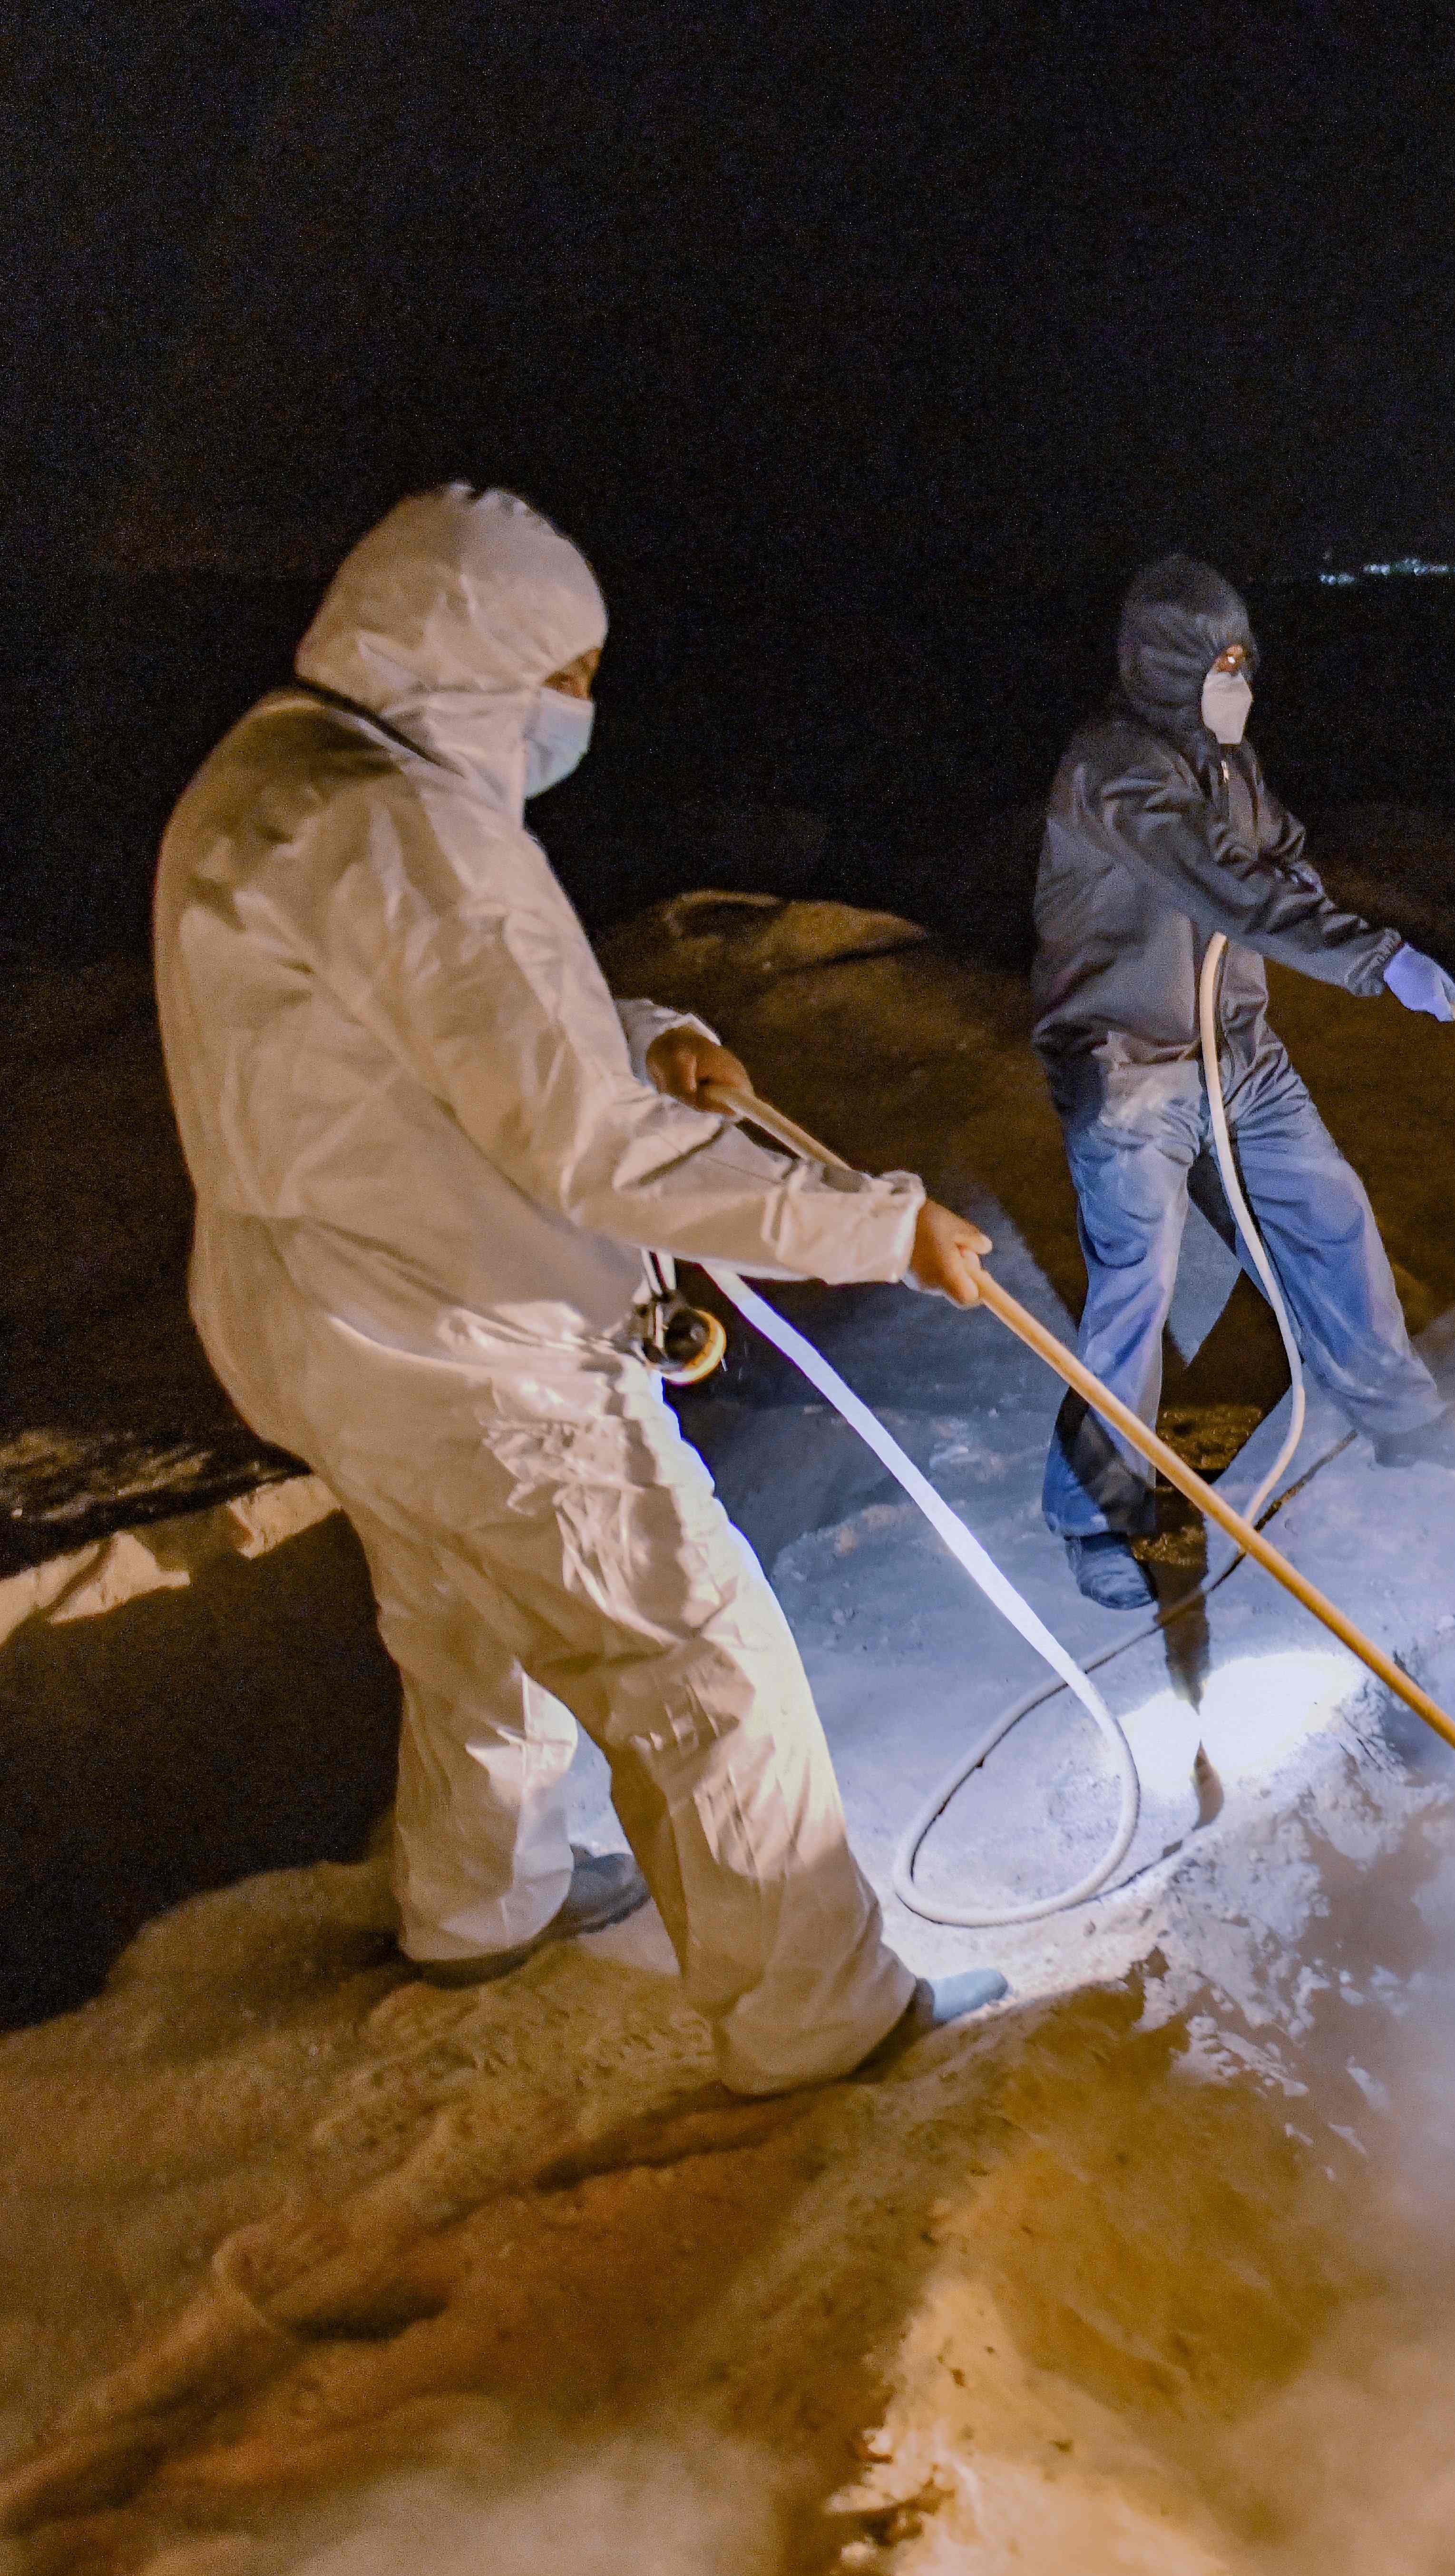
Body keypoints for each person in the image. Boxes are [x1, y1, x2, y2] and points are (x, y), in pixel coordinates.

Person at [151, 485, 1006, 2091]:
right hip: (470, 1351)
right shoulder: (417, 831)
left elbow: (411, 1029)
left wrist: (635, 1025)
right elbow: (591, 1156)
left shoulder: (278, 774)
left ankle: (477, 1912)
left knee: (467, 1629)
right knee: (694, 1656)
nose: (581, 710)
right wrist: (873, 1227)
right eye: (570, 669)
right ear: (480, 651)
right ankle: (820, 2022)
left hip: (319, 1322)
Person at [1033, 553, 1455, 1613]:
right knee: (1136, 1289)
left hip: (1238, 1054)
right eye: (1222, 665)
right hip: (1129, 1069)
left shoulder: (1224, 758)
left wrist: (1314, 896)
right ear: (1166, 665)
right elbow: (1224, 890)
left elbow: (1277, 859)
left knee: (1330, 1213)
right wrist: (1374, 957)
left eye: (1243, 663)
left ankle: (1399, 1416)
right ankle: (1094, 1515)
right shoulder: (1113, 769)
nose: (1241, 684)